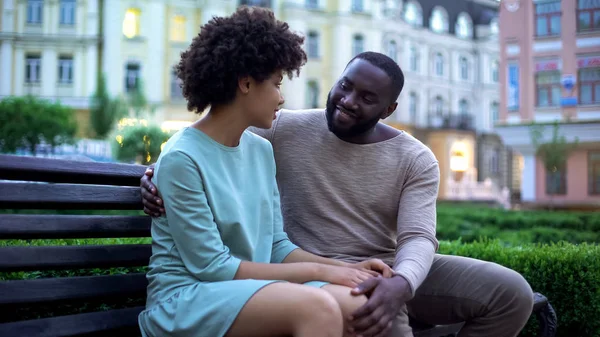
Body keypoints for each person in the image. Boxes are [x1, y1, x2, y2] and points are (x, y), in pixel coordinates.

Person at [141, 49, 535, 337]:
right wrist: (154, 171)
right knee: (373, 306)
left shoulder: (415, 157)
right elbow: (212, 137)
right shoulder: (281, 129)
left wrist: (402, 282)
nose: (347, 102)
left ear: (390, 108)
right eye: (345, 87)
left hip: (381, 266)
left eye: (366, 98)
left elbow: (417, 238)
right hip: (306, 273)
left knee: (512, 293)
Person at [137, 7, 395, 337]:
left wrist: (349, 270)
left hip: (249, 287)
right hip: (186, 298)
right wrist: (322, 271)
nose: (281, 97)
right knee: (315, 307)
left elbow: (276, 247)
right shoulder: (182, 157)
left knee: (355, 304)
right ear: (245, 83)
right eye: (276, 83)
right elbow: (212, 268)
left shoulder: (260, 150)